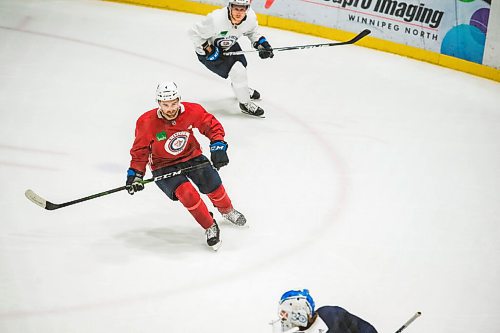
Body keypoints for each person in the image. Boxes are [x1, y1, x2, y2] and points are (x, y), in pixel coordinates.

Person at [125, 81, 246, 251]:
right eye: (165, 104)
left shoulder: (192, 111)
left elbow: (210, 125)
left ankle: (226, 210)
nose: (170, 108)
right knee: (187, 193)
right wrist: (135, 175)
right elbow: (140, 151)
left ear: (179, 99)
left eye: (174, 103)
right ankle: (209, 225)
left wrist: (218, 144)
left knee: (213, 184)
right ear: (158, 103)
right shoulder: (146, 122)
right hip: (163, 165)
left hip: (191, 156)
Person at [188, 0, 274, 117]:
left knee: (241, 68)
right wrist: (209, 49)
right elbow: (193, 33)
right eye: (236, 9)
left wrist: (261, 44)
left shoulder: (250, 17)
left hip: (229, 44)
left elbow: (252, 32)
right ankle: (245, 103)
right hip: (208, 53)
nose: (239, 13)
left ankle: (241, 89)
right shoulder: (216, 19)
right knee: (238, 72)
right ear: (230, 7)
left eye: (242, 9)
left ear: (247, 9)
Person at [272, 289, 378, 333]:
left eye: (285, 314)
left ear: (300, 312)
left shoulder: (331, 315)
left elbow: (365, 329)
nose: (283, 318)